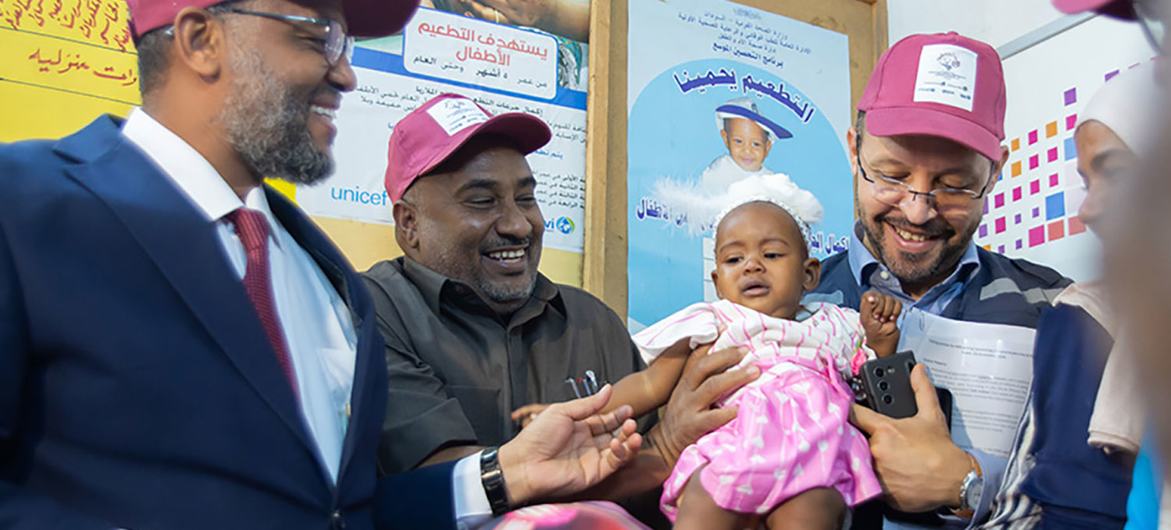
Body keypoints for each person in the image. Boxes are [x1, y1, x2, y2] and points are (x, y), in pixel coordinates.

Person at [0, 1, 643, 528]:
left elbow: (335, 514)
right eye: (318, 36)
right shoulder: (23, 208)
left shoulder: (324, 281)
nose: (345, 75)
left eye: (347, 45)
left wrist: (504, 477)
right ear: (201, 39)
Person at [362, 92, 758, 525]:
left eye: (526, 199)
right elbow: (448, 486)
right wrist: (661, 449)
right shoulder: (372, 312)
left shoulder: (592, 321)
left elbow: (658, 496)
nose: (517, 224)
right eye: (482, 201)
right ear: (409, 224)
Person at [521, 174, 905, 529]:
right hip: (732, 450)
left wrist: (880, 336)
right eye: (735, 259)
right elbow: (651, 384)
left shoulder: (834, 323)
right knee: (705, 503)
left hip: (815, 458)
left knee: (813, 512)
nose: (752, 265)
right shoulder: (712, 322)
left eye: (771, 255)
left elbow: (866, 373)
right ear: (718, 281)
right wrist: (579, 417)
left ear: (809, 274)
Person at [805, 32, 1071, 528]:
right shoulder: (788, 306)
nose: (917, 209)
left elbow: (1108, 496)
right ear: (853, 148)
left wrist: (970, 485)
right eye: (890, 175)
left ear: (994, 174)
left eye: (955, 185)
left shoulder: (1060, 310)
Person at [983, 61, 1159, 529]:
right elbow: (1059, 506)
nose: (1088, 209)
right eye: (1086, 182)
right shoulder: (1085, 318)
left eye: (1117, 173)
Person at [698, 97, 791, 192]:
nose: (747, 150)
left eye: (756, 144)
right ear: (726, 139)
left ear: (767, 147)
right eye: (738, 141)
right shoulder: (720, 170)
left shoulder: (771, 180)